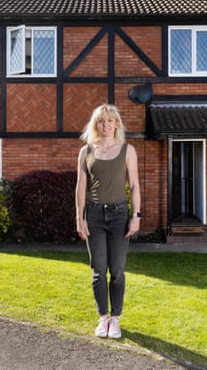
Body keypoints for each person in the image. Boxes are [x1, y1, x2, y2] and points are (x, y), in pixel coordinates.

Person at [75, 104, 141, 339]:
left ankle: (116, 319)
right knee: (98, 270)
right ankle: (103, 318)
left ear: (116, 124)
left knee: (118, 270)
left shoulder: (127, 150)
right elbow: (81, 186)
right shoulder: (86, 152)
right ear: (96, 124)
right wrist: (79, 216)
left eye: (110, 121)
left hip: (119, 215)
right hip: (94, 216)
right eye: (101, 121)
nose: (106, 125)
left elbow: (134, 185)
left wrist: (136, 215)